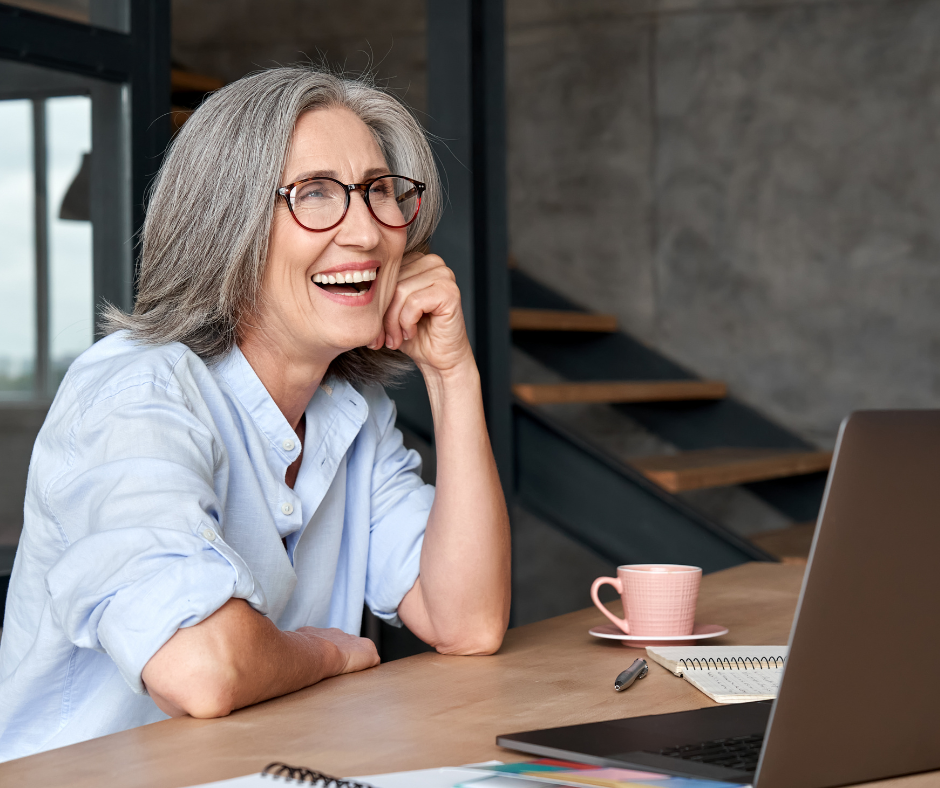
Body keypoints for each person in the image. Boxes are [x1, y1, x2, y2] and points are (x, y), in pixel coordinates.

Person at [0, 67, 511, 761]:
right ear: (226, 225)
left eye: (380, 192)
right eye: (316, 195)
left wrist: (454, 375)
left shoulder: (351, 409)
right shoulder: (134, 393)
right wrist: (325, 655)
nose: (366, 231)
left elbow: (468, 620)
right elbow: (200, 669)